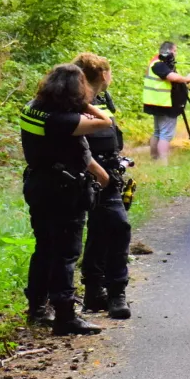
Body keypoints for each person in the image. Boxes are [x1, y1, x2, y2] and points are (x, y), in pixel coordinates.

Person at [20, 64, 113, 335]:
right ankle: (65, 315)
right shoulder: (65, 121)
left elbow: (75, 149)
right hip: (63, 191)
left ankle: (37, 308)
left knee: (44, 249)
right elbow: (105, 121)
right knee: (65, 253)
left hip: (38, 185)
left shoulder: (32, 109)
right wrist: (85, 102)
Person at [73, 53, 133, 320]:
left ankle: (102, 293)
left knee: (105, 230)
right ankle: (109, 290)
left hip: (108, 172)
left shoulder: (102, 99)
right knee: (116, 227)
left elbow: (110, 134)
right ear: (103, 74)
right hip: (87, 174)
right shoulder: (75, 101)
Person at [143, 41, 190, 161]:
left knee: (158, 132)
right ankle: (162, 162)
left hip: (157, 102)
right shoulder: (159, 64)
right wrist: (188, 78)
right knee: (165, 134)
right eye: (175, 51)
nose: (175, 54)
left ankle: (154, 160)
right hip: (165, 104)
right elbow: (172, 77)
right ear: (169, 51)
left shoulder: (155, 62)